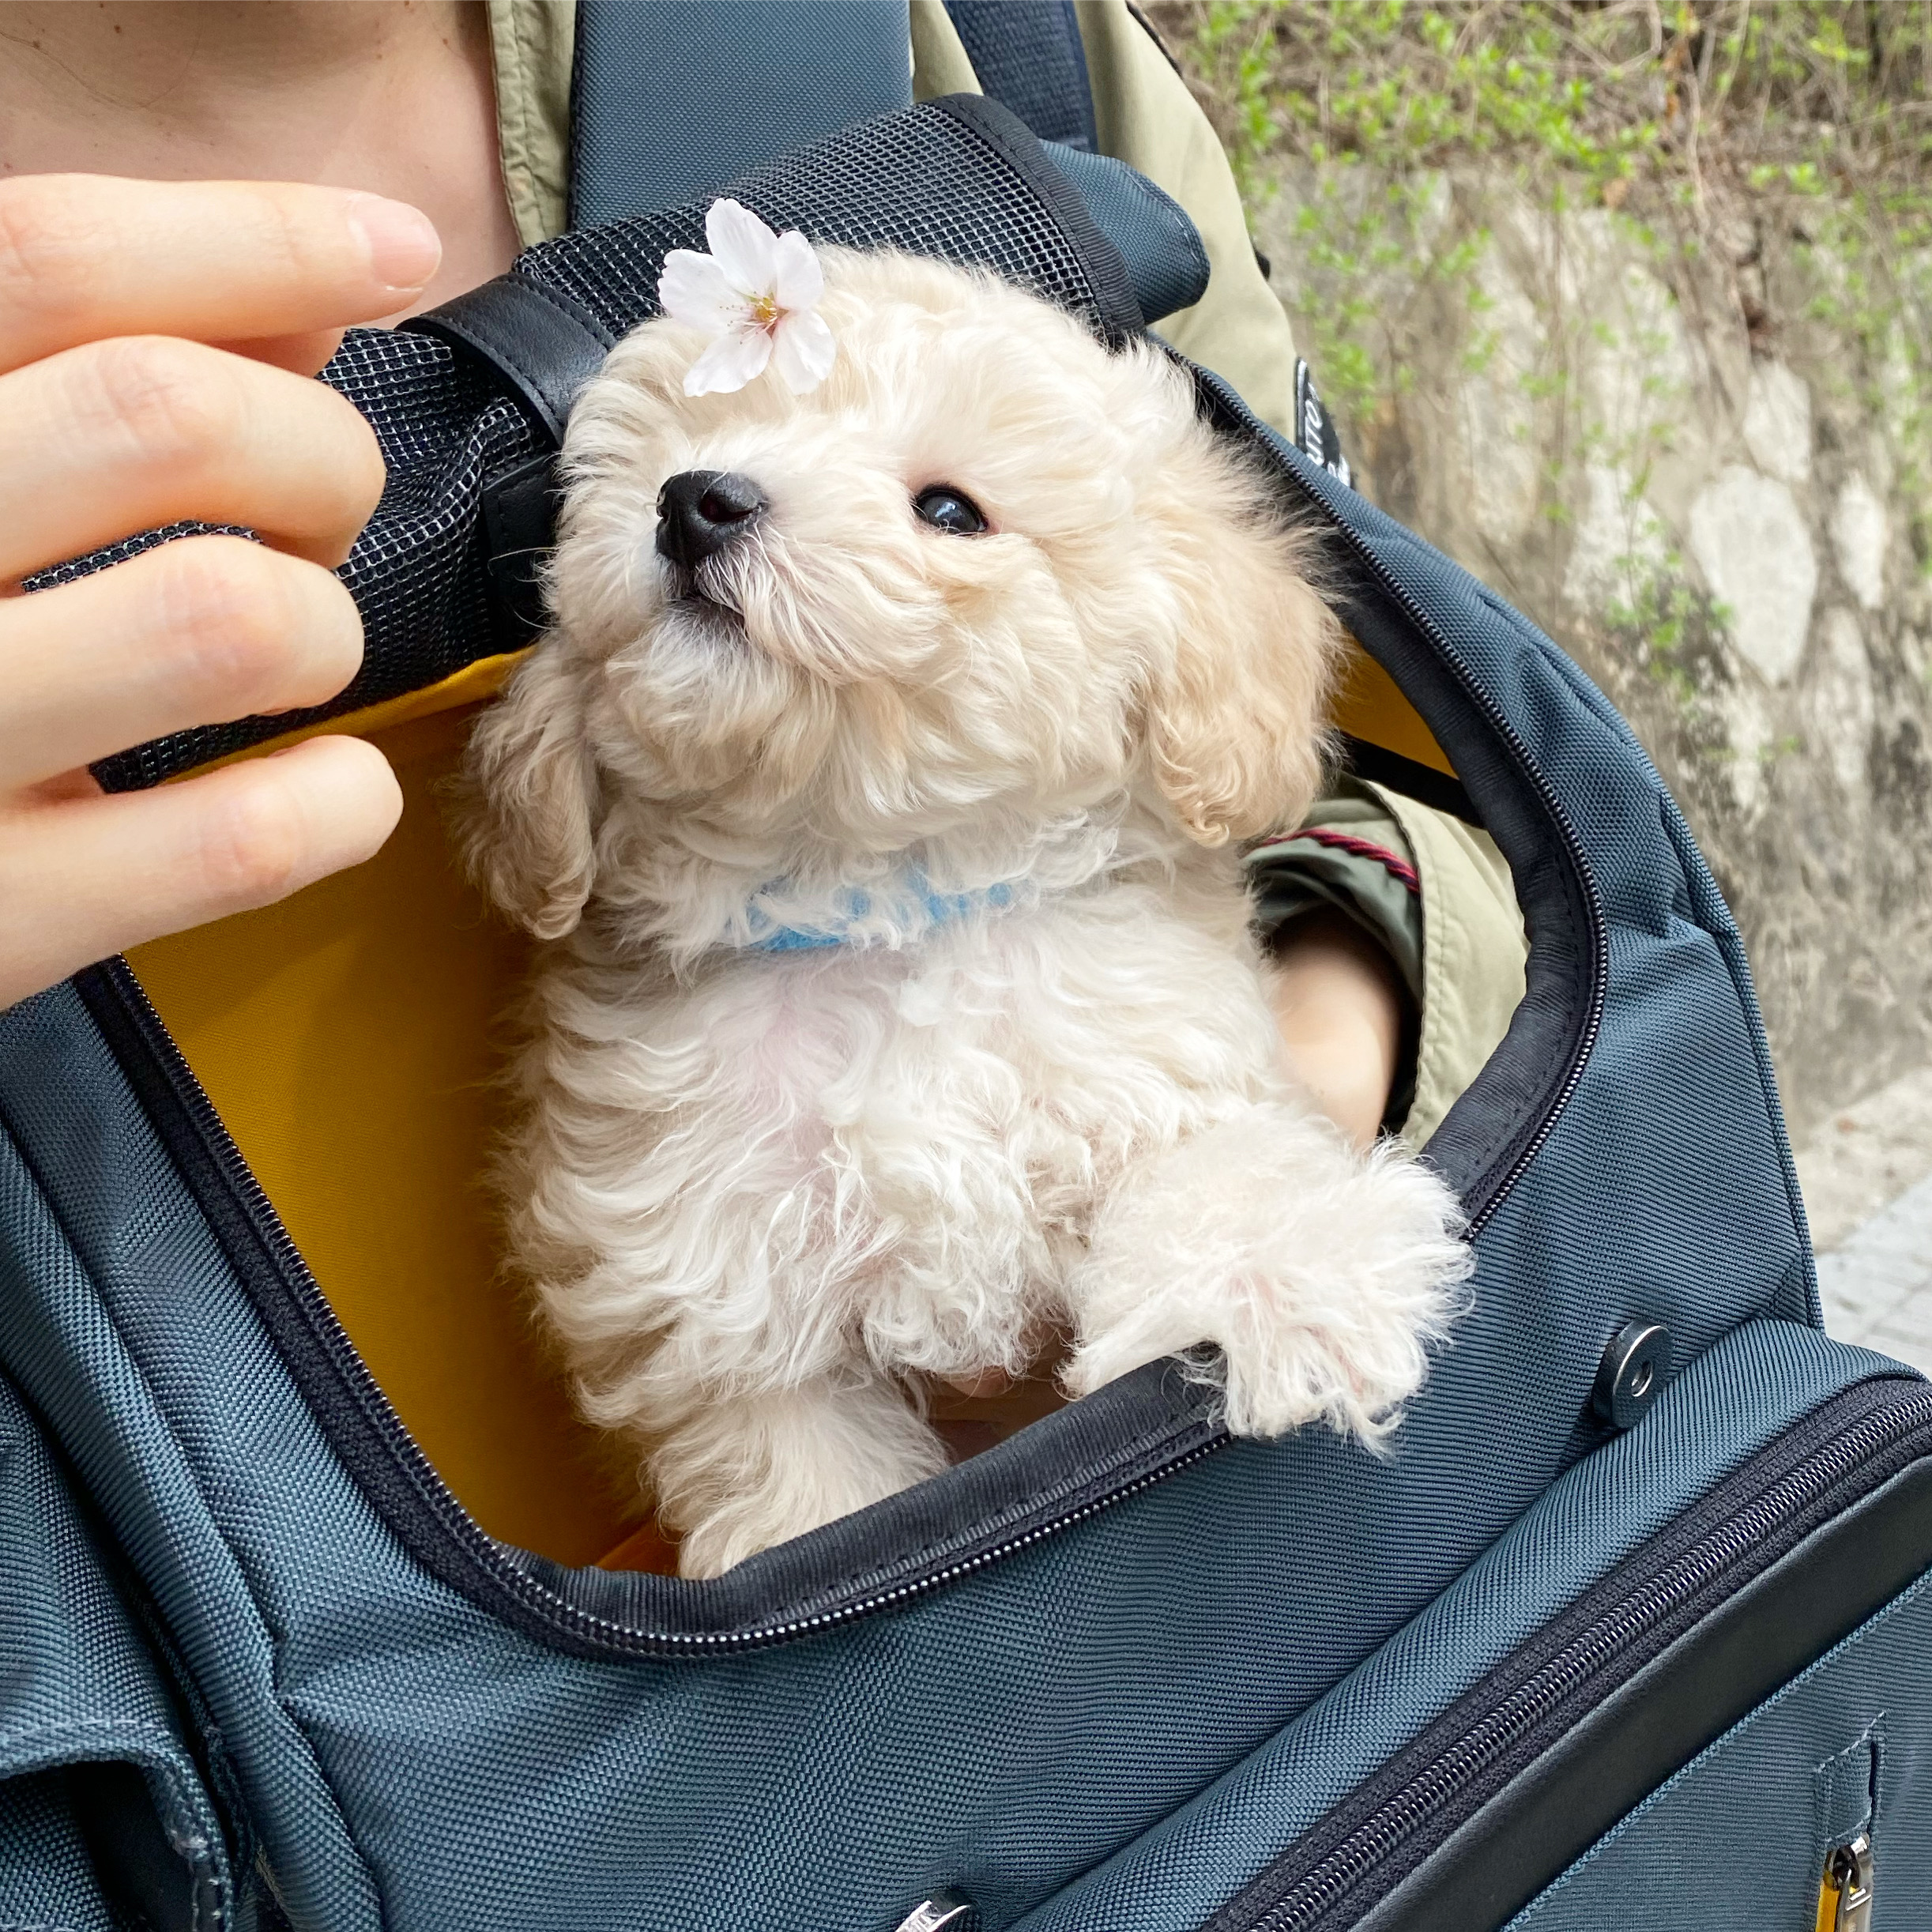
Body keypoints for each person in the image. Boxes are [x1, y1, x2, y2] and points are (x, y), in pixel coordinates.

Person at [0, 0, 1523, 1532]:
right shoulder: (643, 1048)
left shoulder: (1005, 49)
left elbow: (1452, 776)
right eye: (688, 478)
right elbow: (730, 1405)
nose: (719, 503)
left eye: (944, 510)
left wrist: (1306, 1068)